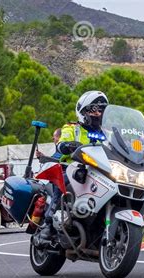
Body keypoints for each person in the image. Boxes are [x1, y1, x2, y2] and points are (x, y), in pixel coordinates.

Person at [32, 91, 109, 247]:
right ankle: (48, 225)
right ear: (83, 111)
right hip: (72, 168)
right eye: (94, 109)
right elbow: (61, 143)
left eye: (101, 110)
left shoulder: (108, 135)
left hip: (99, 173)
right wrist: (67, 145)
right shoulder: (72, 128)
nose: (98, 113)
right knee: (63, 182)